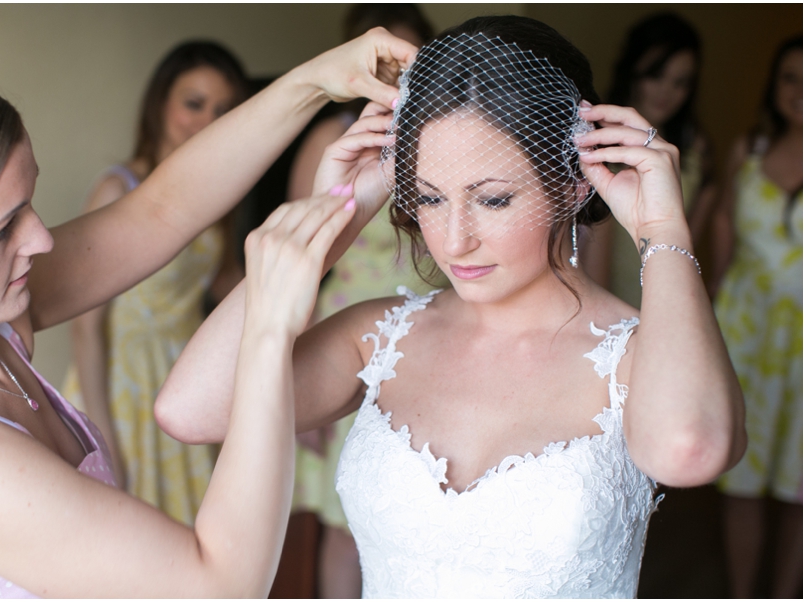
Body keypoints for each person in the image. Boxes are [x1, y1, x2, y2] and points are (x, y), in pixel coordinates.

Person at [156, 15, 747, 597]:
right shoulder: (379, 335)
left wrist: (664, 233)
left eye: (492, 199)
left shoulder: (637, 353)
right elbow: (192, 410)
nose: (454, 238)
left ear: (573, 183)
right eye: (430, 198)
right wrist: (335, 220)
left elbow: (689, 450)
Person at [0, 29, 417, 598]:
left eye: (29, 203)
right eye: (2, 231)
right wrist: (271, 327)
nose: (42, 241)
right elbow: (219, 585)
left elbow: (161, 208)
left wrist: (315, 83)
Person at [61, 41, 247, 523]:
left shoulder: (217, 195)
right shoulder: (118, 188)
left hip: (188, 374)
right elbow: (85, 326)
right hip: (123, 382)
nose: (207, 120)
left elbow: (226, 281)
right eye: (193, 103)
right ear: (160, 104)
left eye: (222, 108)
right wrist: (101, 435)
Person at [285, 5, 436, 597]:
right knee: (348, 527)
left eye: (412, 60)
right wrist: (294, 381)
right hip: (347, 341)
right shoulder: (332, 140)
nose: (399, 77)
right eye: (385, 62)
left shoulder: (445, 138)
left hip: (429, 339)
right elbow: (301, 265)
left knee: (422, 515)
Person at [709, 34, 802, 599]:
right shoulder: (749, 147)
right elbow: (722, 222)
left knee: (802, 488)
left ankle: (789, 592)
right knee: (739, 479)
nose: (800, 92)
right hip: (746, 330)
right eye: (790, 78)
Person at [583, 13, 715, 309]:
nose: (667, 92)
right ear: (633, 70)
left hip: (668, 291)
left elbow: (687, 243)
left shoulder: (696, 149)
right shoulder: (599, 144)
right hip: (608, 300)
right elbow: (593, 260)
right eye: (656, 75)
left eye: (680, 82)